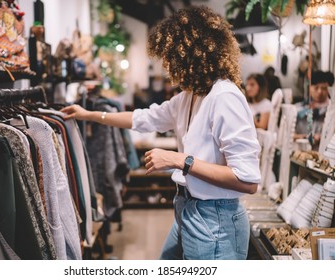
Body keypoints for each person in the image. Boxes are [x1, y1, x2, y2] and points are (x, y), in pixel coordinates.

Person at [61, 6, 261, 260]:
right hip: (188, 209)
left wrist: (180, 160)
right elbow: (143, 118)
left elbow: (247, 180)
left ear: (191, 56)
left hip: (215, 220)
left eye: (170, 58)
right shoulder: (189, 97)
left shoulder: (225, 98)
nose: (167, 67)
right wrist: (88, 115)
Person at [295, 70, 334, 150]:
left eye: (324, 88)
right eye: (316, 88)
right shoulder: (298, 108)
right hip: (301, 153)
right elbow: (289, 134)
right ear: (309, 87)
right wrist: (306, 137)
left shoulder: (332, 111)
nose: (319, 92)